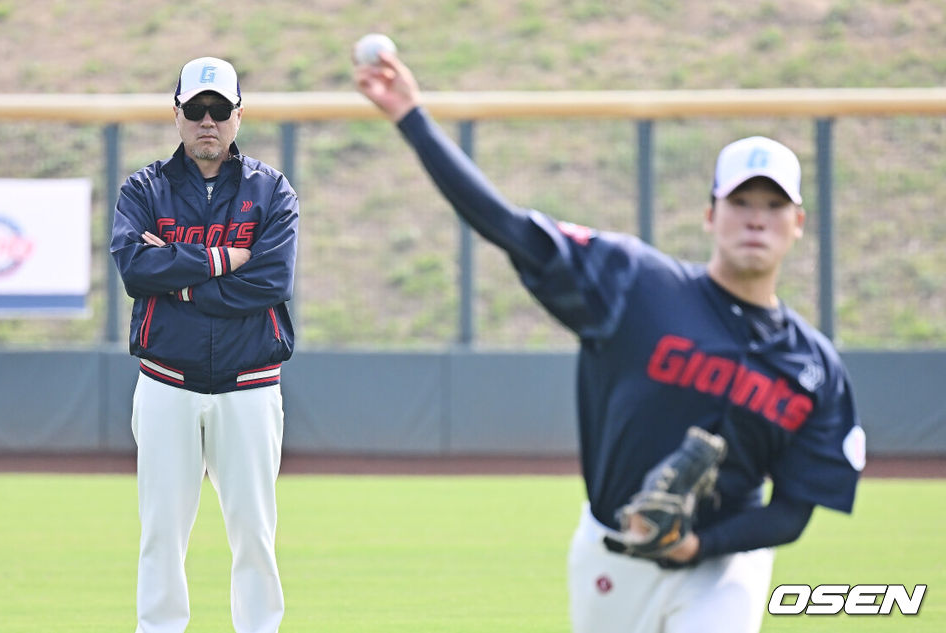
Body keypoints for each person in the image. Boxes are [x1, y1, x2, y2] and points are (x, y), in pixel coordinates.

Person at [354, 49, 865, 633]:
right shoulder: (636, 285)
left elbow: (793, 511)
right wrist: (412, 117)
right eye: (741, 202)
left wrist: (697, 543)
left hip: (724, 565)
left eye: (774, 206)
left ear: (797, 222)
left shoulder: (814, 366)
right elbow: (509, 227)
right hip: (612, 555)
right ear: (709, 214)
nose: (756, 219)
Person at [111, 56, 298, 633]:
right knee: (161, 533)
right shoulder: (144, 188)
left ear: (239, 116)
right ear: (178, 116)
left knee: (255, 536)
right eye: (197, 110)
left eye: (220, 110)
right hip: (167, 380)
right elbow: (136, 272)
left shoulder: (271, 190)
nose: (208, 121)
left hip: (249, 384)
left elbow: (271, 282)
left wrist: (181, 285)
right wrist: (221, 261)